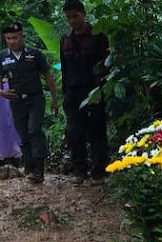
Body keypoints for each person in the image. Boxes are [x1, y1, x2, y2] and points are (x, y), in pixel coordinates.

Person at [0, 22, 58, 184]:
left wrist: (55, 99)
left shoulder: (35, 54)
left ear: (23, 36)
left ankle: (39, 170)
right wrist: (1, 91)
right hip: (15, 101)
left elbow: (48, 76)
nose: (12, 41)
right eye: (8, 38)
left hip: (35, 99)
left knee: (34, 131)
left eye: (15, 37)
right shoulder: (3, 56)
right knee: (23, 135)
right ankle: (29, 167)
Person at [60, 0, 109, 185]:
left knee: (96, 131)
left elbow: (105, 65)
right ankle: (80, 172)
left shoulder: (98, 36)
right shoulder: (65, 40)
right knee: (75, 133)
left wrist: (100, 92)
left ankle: (98, 172)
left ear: (83, 14)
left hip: (94, 91)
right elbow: (64, 68)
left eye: (75, 16)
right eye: (68, 17)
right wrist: (65, 94)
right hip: (73, 92)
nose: (72, 20)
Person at [0, 87, 21, 166]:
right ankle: (15, 164)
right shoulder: (17, 86)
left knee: (3, 143)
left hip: (2, 122)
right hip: (16, 121)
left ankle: (5, 163)